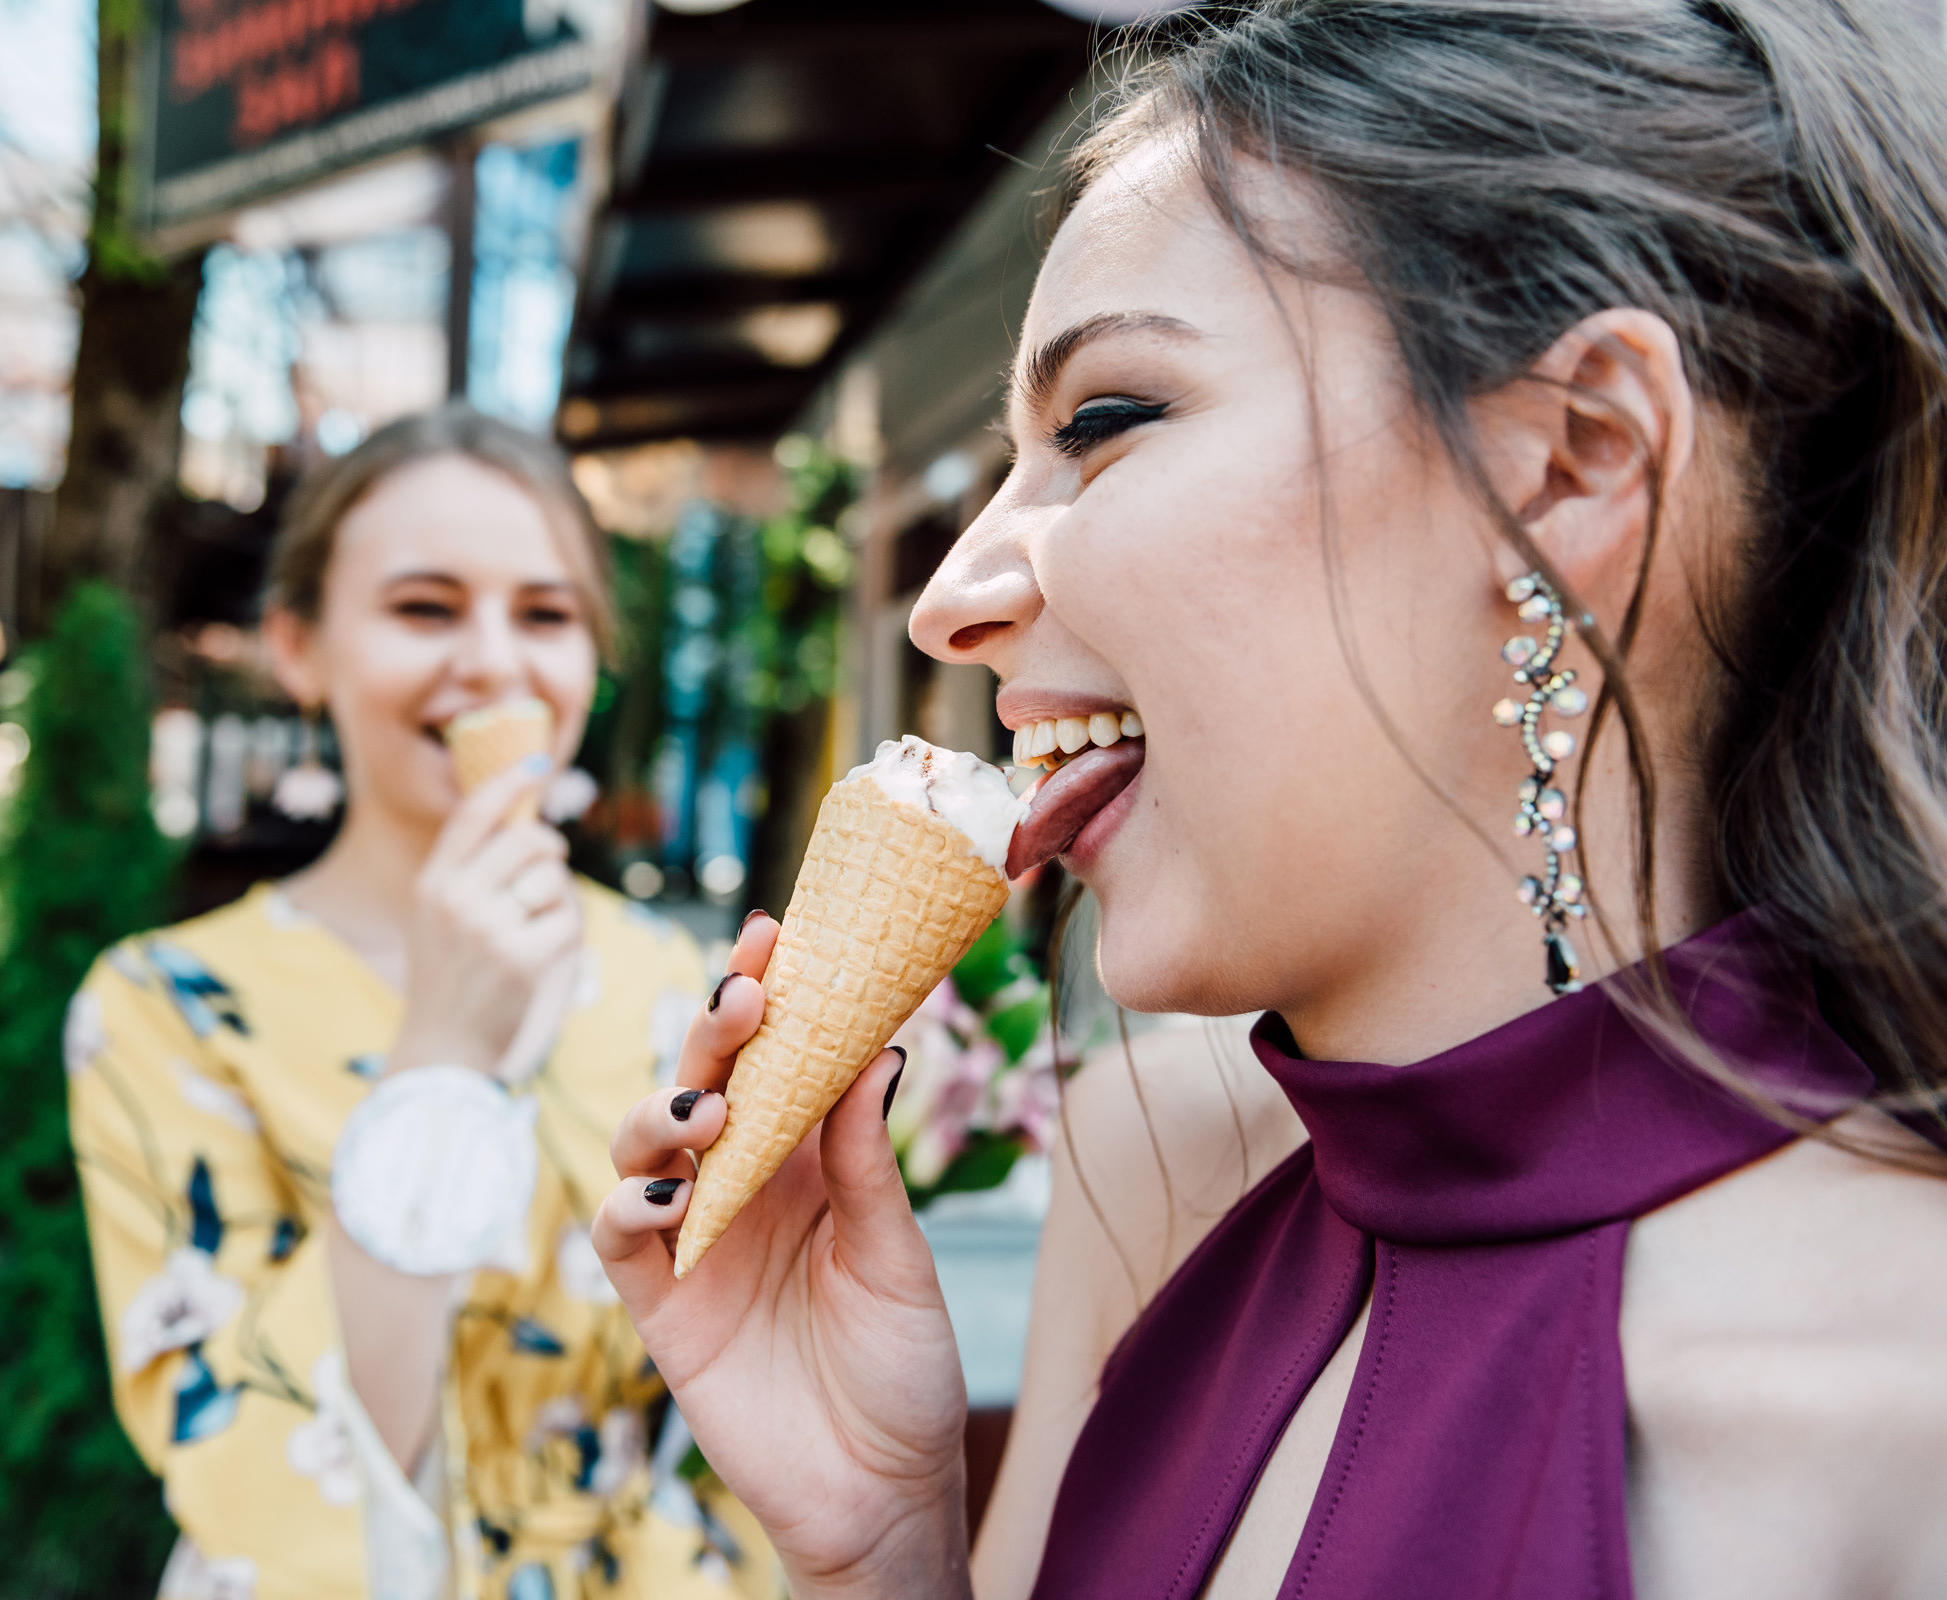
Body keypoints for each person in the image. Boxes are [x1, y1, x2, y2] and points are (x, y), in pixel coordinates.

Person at [592, 2, 1947, 1596]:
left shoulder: (1894, 1428)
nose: (945, 599)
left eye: (1104, 422)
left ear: (1577, 459)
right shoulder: (1158, 1174)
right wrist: (881, 1549)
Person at [67, 404, 778, 1600]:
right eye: (424, 608)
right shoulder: (169, 1005)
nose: (495, 662)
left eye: (546, 615)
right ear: (300, 648)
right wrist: (441, 1051)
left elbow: (758, 1389)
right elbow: (244, 1453)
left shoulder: (676, 984)